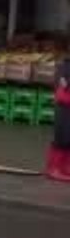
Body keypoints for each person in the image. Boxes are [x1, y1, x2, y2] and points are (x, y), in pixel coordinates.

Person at [48, 53, 70, 183]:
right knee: (62, 137)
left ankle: (65, 167)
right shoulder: (65, 67)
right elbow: (63, 89)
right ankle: (54, 169)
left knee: (68, 138)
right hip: (64, 106)